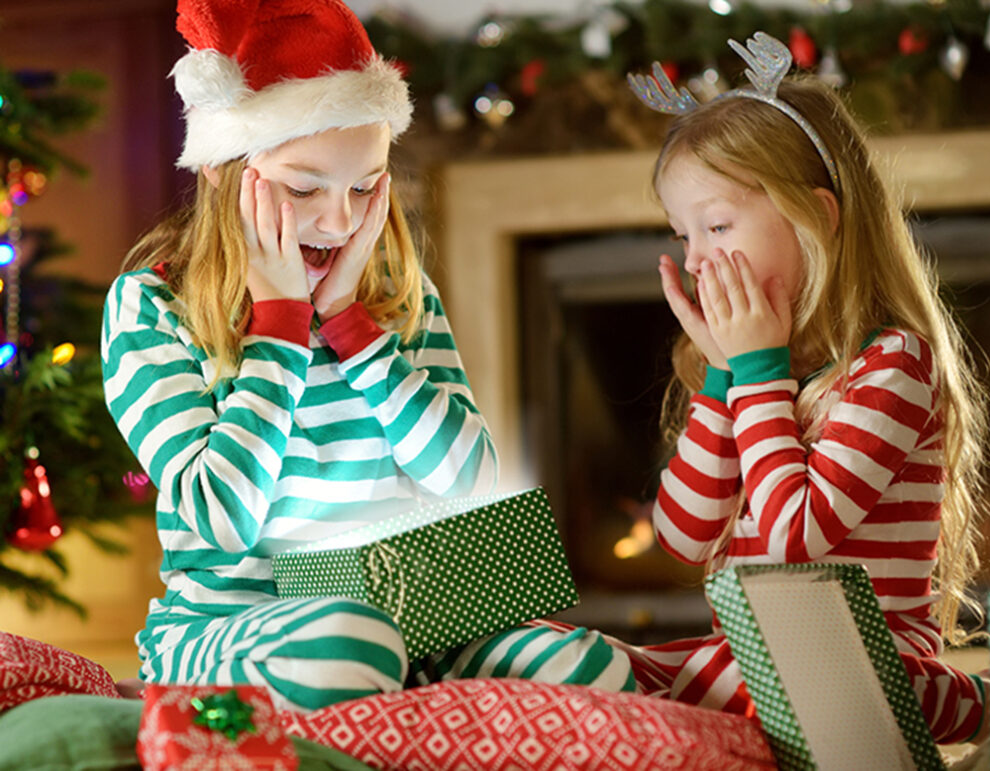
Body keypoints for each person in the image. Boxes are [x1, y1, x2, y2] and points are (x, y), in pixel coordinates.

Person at [102, 0, 634, 712]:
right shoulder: (152, 305)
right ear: (229, 172)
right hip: (229, 626)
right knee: (347, 643)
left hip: (413, 611)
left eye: (364, 185)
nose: (340, 219)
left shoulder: (396, 297)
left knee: (581, 662)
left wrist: (355, 328)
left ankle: (411, 704)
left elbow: (468, 480)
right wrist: (281, 328)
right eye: (303, 188)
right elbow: (220, 517)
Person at [624, 32, 990, 744]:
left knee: (688, 691)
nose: (697, 258)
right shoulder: (753, 374)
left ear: (815, 218)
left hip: (863, 664)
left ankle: (982, 699)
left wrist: (756, 373)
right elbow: (682, 534)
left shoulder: (893, 365)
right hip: (758, 659)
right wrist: (725, 377)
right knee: (575, 659)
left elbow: (796, 538)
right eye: (683, 234)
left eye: (718, 225)